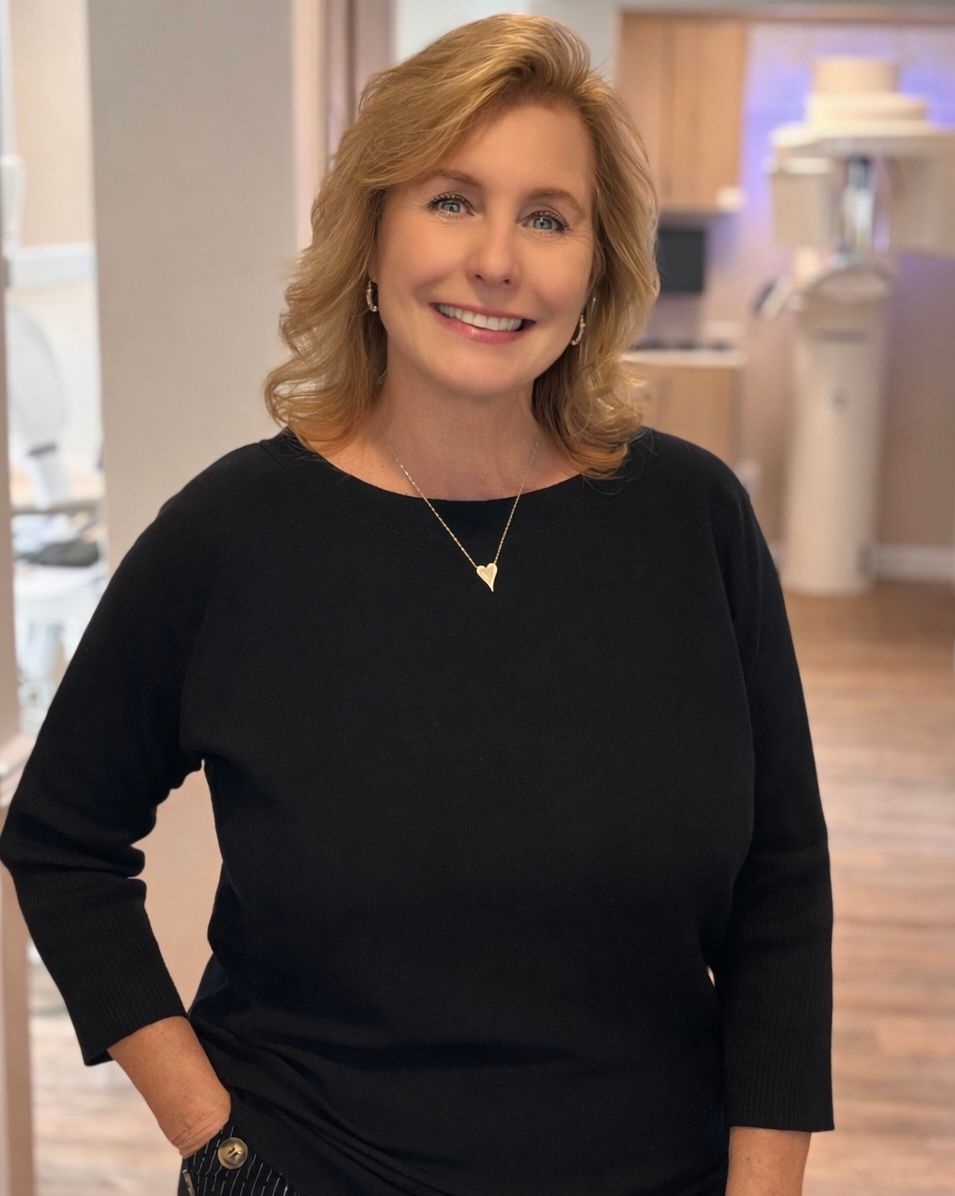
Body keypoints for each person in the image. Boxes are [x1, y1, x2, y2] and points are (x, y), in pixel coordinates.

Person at [0, 13, 834, 1196]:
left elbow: (783, 883)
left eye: (547, 216)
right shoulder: (232, 537)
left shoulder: (690, 519)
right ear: (373, 233)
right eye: (451, 200)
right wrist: (219, 1144)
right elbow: (59, 837)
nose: (497, 259)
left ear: (594, 267)